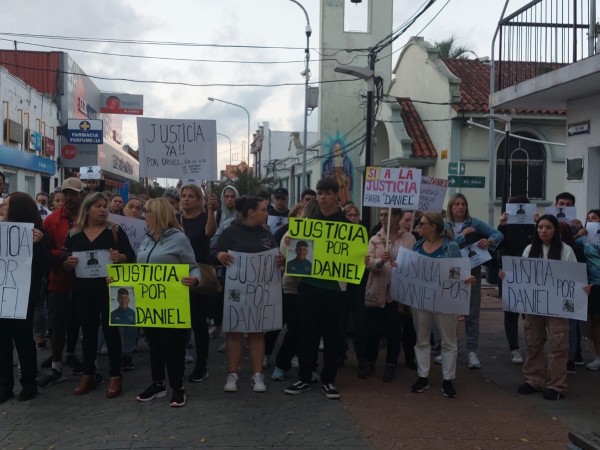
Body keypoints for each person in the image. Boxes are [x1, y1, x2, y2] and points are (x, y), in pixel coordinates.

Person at [499, 214, 590, 400]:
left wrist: (583, 288)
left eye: (548, 227)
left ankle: (556, 385)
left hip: (557, 307)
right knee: (533, 342)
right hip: (534, 305)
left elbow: (574, 277)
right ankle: (533, 379)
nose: (544, 231)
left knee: (558, 344)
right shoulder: (529, 249)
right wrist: (506, 277)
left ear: (555, 230)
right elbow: (521, 274)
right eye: (540, 227)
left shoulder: (566, 251)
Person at [63, 192, 135, 398]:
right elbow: (65, 259)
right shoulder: (74, 233)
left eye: (105, 206)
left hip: (110, 290)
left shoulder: (115, 230)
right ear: (87, 209)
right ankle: (88, 374)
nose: (103, 209)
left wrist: (119, 257)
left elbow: (131, 257)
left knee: (111, 332)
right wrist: (68, 264)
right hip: (83, 291)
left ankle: (115, 376)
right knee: (88, 334)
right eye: (98, 206)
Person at [285, 177, 350, 400]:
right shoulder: (309, 220)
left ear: (336, 196)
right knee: (307, 333)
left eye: (327, 193)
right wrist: (290, 242)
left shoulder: (346, 224)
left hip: (334, 289)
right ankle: (305, 376)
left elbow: (353, 255)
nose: (323, 197)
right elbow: (295, 249)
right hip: (309, 286)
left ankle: (329, 379)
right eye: (320, 193)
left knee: (332, 335)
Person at [210, 196, 281, 393]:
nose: (267, 214)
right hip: (236, 291)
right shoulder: (231, 232)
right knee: (234, 332)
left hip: (260, 292)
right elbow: (212, 251)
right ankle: (232, 374)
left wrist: (280, 262)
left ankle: (257, 375)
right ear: (251, 212)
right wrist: (219, 255)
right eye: (263, 210)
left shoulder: (267, 235)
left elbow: (275, 259)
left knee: (258, 332)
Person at [134, 198, 201, 408]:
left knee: (173, 346)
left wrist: (195, 279)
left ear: (159, 214)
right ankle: (158, 383)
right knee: (154, 344)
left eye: (147, 211)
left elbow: (193, 266)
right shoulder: (145, 239)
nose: (144, 215)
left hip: (173, 302)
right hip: (150, 303)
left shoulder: (179, 238)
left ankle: (177, 386)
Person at [410, 212, 474, 398]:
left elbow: (456, 271)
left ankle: (448, 379)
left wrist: (464, 279)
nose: (418, 227)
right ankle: (422, 376)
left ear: (433, 226)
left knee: (448, 339)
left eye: (422, 224)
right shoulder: (417, 246)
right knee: (421, 338)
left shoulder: (451, 247)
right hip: (422, 300)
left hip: (445, 300)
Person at [0, 192, 50, 403]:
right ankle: (4, 386)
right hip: (2, 291)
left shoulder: (38, 235)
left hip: (23, 293)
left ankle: (29, 383)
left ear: (17, 209)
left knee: (22, 338)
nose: (1, 208)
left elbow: (46, 266)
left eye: (5, 205)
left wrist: (37, 245)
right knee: (2, 340)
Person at [445, 193, 503, 369]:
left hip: (473, 269)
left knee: (472, 310)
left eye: (463, 204)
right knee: (450, 309)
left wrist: (490, 240)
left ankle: (472, 350)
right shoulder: (445, 225)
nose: (460, 207)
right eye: (457, 204)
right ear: (451, 207)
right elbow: (445, 247)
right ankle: (450, 347)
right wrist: (462, 236)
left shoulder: (475, 223)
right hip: (452, 270)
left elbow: (498, 234)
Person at [37, 178, 85, 387]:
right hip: (59, 280)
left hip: (85, 281)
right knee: (57, 326)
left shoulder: (89, 218)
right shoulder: (51, 220)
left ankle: (73, 354)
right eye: (65, 194)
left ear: (81, 195)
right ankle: (56, 365)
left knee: (77, 322)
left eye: (73, 194)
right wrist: (59, 255)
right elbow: (44, 250)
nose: (68, 198)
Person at [362, 209, 416, 382]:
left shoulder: (409, 239)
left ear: (397, 217)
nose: (383, 218)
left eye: (388, 215)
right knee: (373, 330)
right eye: (382, 215)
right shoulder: (375, 239)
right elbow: (368, 264)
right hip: (377, 292)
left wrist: (393, 261)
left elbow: (413, 265)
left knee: (394, 331)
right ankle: (370, 363)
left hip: (397, 294)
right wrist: (380, 262)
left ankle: (391, 364)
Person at [178, 184, 217, 383]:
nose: (186, 199)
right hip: (177, 275)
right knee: (179, 321)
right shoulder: (175, 219)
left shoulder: (204, 218)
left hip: (198, 275)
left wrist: (210, 210)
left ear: (198, 199)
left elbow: (209, 232)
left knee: (198, 323)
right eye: (183, 196)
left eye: (191, 196)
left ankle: (201, 365)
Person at [497, 195, 536, 364]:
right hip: (510, 274)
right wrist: (501, 226)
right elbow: (497, 245)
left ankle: (533, 346)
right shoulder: (506, 227)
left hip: (531, 275)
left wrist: (537, 223)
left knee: (531, 314)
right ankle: (514, 349)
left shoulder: (534, 227)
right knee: (511, 313)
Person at [270, 203, 306, 381]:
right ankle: (281, 364)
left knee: (307, 330)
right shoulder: (288, 236)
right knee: (295, 328)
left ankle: (306, 365)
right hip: (291, 287)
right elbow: (284, 263)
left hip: (309, 288)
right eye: (300, 217)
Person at [575, 209, 600, 371]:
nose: (591, 221)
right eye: (588, 219)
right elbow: (566, 245)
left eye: (595, 218)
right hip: (593, 284)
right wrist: (577, 235)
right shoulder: (582, 240)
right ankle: (598, 356)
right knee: (596, 321)